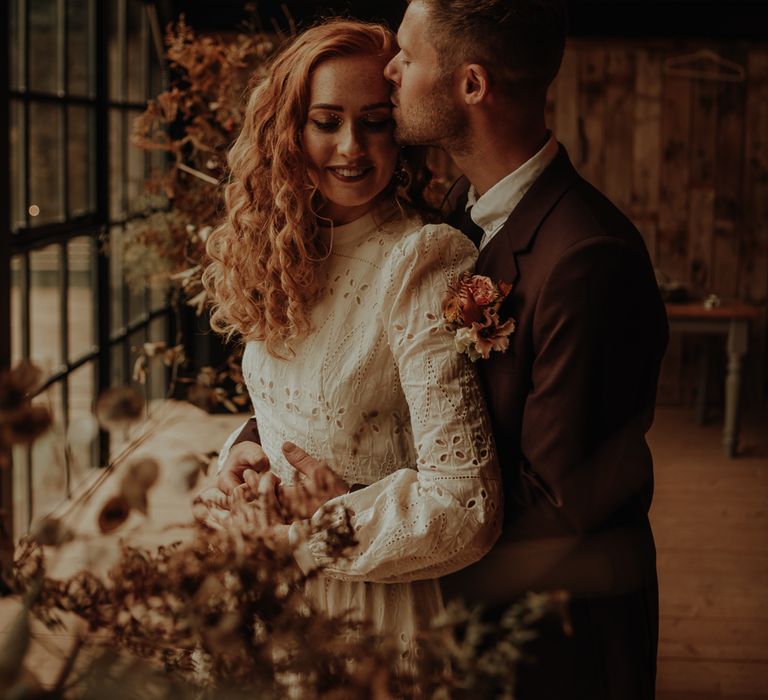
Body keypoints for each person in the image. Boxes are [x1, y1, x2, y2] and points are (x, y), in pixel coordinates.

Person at [225, 1, 669, 698]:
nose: (391, 70)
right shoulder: (463, 204)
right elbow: (364, 380)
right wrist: (262, 453)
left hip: (550, 639)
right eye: (328, 119)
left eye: (407, 55)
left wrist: (325, 521)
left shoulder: (589, 257)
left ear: (470, 85)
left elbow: (553, 508)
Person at [203, 19, 502, 654]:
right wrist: (238, 454)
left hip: (363, 610)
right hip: (260, 589)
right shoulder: (279, 250)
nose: (352, 148)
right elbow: (282, 404)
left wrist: (305, 531)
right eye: (327, 121)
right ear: (290, 131)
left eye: (373, 121)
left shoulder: (421, 262)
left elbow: (465, 506)